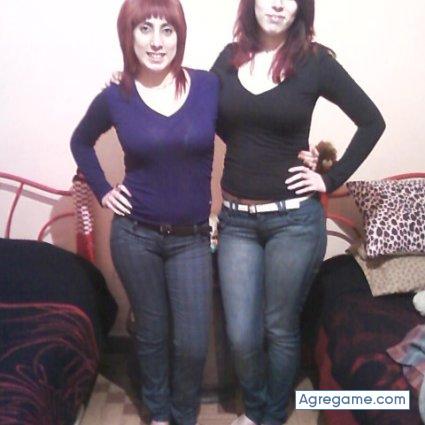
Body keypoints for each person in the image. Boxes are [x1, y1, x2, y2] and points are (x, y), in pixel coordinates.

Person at [210, 1, 386, 424]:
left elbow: (371, 121)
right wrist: (133, 82)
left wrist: (330, 177)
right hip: (236, 221)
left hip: (293, 222)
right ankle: (255, 409)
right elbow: (201, 111)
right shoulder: (229, 59)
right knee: (241, 333)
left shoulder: (315, 62)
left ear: (300, 8)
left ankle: (269, 416)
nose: (276, 3)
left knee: (279, 326)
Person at [70, 1, 220, 424]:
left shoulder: (208, 86)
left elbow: (251, 124)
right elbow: (80, 141)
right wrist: (103, 191)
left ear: (179, 36)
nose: (156, 41)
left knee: (192, 341)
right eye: (145, 29)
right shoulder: (116, 95)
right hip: (135, 236)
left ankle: (183, 414)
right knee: (152, 334)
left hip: (192, 238)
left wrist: (301, 153)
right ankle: (158, 413)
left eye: (167, 30)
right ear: (129, 36)